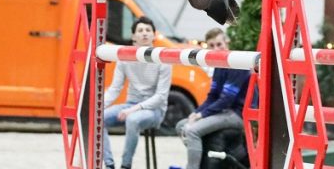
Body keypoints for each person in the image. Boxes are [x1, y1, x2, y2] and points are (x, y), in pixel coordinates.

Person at [177, 27, 251, 169]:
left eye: (219, 44)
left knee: (192, 131)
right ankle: (202, 161)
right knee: (181, 125)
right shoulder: (218, 64)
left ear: (227, 42)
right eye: (211, 46)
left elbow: (226, 99)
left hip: (237, 114)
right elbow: (213, 96)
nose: (216, 49)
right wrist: (196, 112)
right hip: (223, 112)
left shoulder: (237, 63)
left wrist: (201, 115)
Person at [103, 17, 171, 169]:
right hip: (130, 105)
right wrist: (98, 107)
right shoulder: (125, 57)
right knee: (98, 118)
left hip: (154, 110)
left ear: (154, 35)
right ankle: (109, 164)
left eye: (148, 30)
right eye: (140, 30)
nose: (144, 33)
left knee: (132, 119)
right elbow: (115, 89)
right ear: (133, 36)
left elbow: (161, 97)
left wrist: (133, 109)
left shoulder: (163, 59)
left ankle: (125, 165)